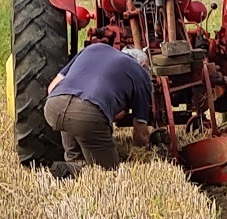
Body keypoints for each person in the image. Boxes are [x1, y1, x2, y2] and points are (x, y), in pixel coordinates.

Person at [43, 44, 153, 178]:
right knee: (108, 173)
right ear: (142, 64)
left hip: (54, 106)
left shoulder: (94, 48)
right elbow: (140, 126)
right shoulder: (139, 72)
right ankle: (79, 172)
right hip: (86, 115)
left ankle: (72, 166)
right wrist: (140, 152)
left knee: (72, 124)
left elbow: (52, 87)